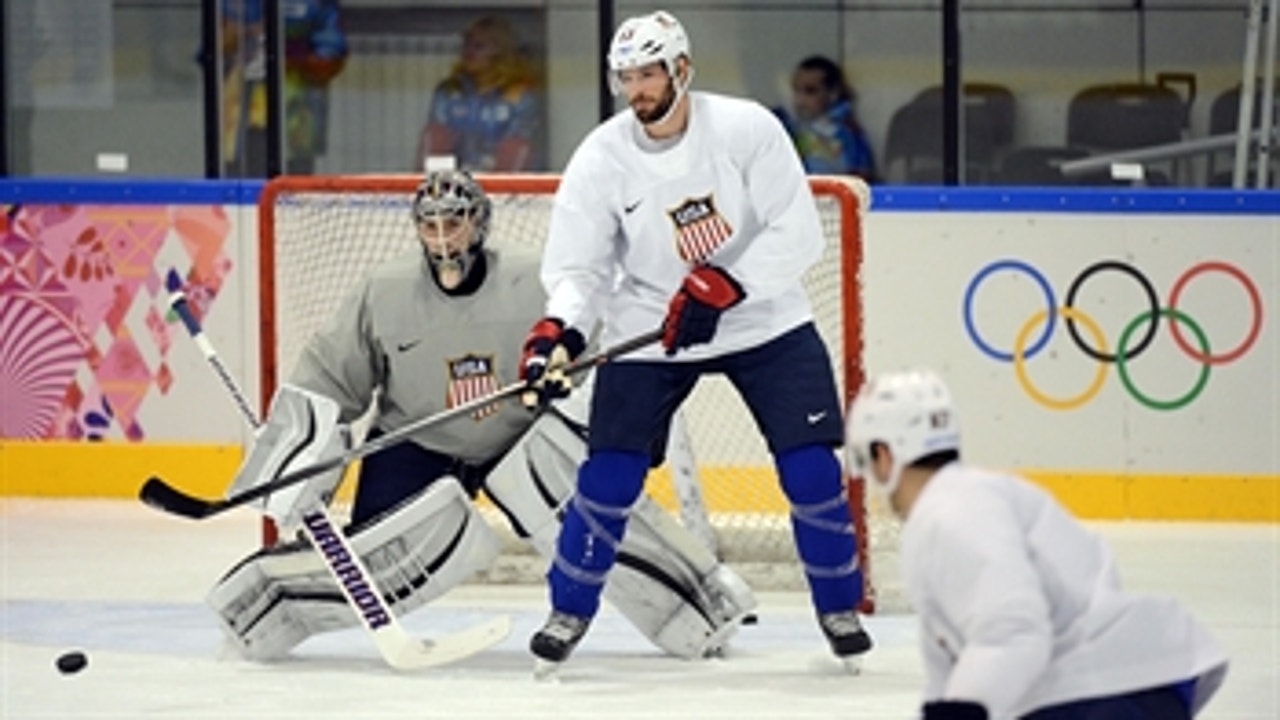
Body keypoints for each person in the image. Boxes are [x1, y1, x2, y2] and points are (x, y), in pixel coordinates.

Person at [207, 169, 756, 663]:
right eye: (431, 225)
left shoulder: (534, 281)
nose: (444, 237)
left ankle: (699, 605)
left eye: (456, 222)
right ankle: (266, 610)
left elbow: (594, 349)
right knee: (376, 562)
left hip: (520, 440)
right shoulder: (385, 291)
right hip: (417, 440)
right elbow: (329, 376)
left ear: (481, 223)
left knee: (591, 524)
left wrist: (577, 401)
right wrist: (295, 463)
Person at [518, 10, 872, 674]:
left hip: (764, 317)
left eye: (648, 74)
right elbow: (578, 269)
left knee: (812, 471)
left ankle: (838, 608)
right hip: (653, 324)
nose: (637, 90)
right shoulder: (602, 156)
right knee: (610, 477)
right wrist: (557, 331)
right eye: (626, 77)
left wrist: (725, 284)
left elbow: (800, 234)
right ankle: (567, 611)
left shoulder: (745, 130)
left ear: (682, 69)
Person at [844, 369, 1229, 720]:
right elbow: (949, 668)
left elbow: (1013, 630)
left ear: (884, 453)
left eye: (866, 459)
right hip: (1124, 677)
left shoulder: (949, 514)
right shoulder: (973, 497)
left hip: (1105, 690)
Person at [220, 0, 348, 177]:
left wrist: (288, 50)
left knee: (295, 185)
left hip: (296, 115)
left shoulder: (316, 5)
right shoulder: (231, 4)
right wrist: (241, 36)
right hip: (241, 116)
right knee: (241, 178)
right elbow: (211, 48)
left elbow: (330, 55)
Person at [415, 16, 542, 172]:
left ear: (500, 52)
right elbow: (436, 144)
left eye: (479, 46)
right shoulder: (449, 91)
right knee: (435, 134)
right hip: (454, 183)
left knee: (517, 146)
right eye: (467, 45)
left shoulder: (520, 96)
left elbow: (519, 146)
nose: (469, 52)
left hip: (501, 187)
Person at [772, 55, 878, 181]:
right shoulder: (785, 125)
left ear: (833, 93)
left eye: (810, 91)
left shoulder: (848, 134)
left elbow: (861, 176)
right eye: (796, 90)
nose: (800, 100)